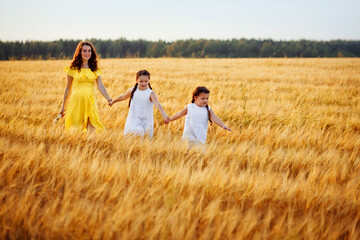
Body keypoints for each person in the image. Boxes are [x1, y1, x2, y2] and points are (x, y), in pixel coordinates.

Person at [59, 41, 112, 133]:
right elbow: (68, 88)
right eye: (84, 51)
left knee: (92, 127)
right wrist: (63, 106)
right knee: (75, 130)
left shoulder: (94, 68)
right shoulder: (72, 68)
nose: (87, 53)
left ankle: (91, 145)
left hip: (90, 101)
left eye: (89, 51)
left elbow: (100, 85)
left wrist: (108, 98)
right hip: (76, 102)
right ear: (79, 52)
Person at [109, 70, 170, 138]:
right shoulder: (132, 90)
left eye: (146, 81)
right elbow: (123, 96)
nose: (143, 83)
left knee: (144, 142)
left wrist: (163, 114)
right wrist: (113, 101)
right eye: (141, 81)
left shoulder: (150, 93)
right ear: (136, 80)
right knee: (131, 139)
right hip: (133, 120)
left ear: (149, 81)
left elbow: (157, 104)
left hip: (146, 122)